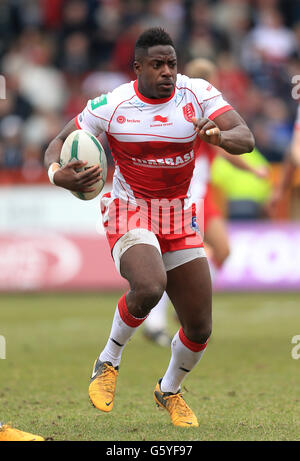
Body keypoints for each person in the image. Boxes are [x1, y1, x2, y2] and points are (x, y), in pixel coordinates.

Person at [44, 28, 254, 428]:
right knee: (149, 286)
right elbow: (57, 142)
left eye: (172, 64)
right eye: (157, 65)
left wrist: (219, 135)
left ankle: (169, 389)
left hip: (178, 212)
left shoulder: (198, 94)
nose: (167, 72)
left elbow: (246, 136)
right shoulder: (111, 105)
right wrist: (58, 174)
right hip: (129, 207)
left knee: (199, 326)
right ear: (137, 67)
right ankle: (108, 361)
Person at [142, 57, 266, 345]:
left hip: (204, 196)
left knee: (221, 250)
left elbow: (221, 148)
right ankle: (156, 322)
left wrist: (252, 168)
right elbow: (223, 149)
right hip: (187, 196)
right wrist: (253, 168)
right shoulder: (191, 112)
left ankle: (181, 305)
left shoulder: (205, 111)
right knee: (173, 259)